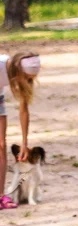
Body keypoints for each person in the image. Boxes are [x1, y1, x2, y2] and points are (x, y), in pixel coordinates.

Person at [0, 51, 42, 209]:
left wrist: (25, 143)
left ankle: (0, 196)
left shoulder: (24, 76)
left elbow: (24, 110)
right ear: (18, 71)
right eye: (27, 78)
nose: (28, 81)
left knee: (2, 145)